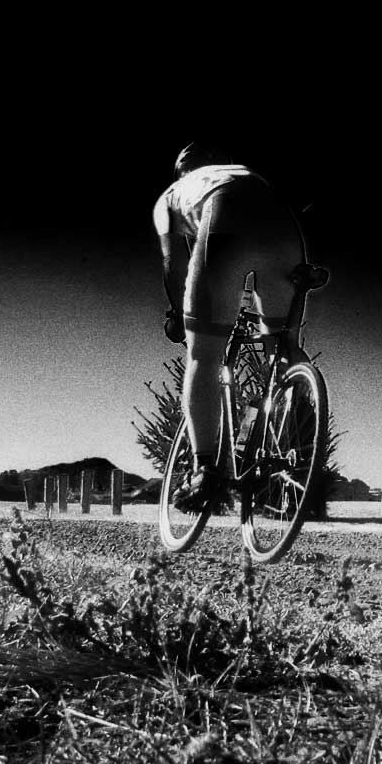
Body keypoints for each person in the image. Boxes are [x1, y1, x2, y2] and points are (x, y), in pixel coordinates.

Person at [153, 142, 310, 509]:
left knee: (205, 355)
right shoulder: (245, 172)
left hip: (224, 216)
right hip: (283, 224)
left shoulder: (172, 195)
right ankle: (297, 434)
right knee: (282, 347)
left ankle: (204, 471)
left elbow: (173, 263)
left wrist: (179, 315)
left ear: (181, 171)